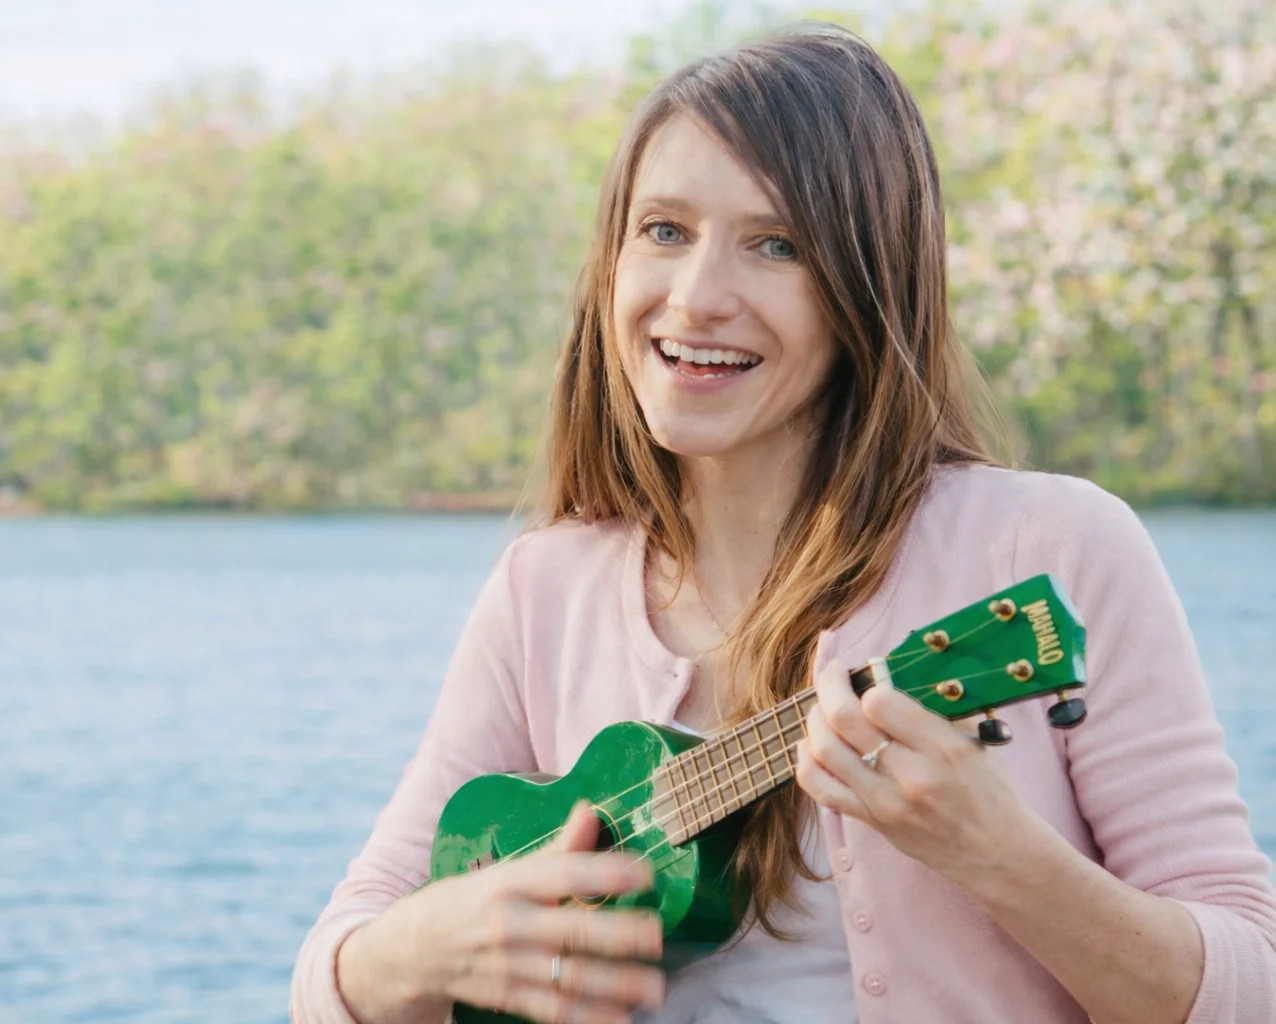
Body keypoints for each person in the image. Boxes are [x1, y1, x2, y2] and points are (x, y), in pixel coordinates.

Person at [291, 23, 1276, 1024]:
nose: (696, 297)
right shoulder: (544, 589)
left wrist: (1000, 856)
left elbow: (1252, 987)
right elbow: (329, 978)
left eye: (775, 245)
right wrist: (426, 945)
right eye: (664, 231)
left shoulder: (1048, 549)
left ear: (863, 287)